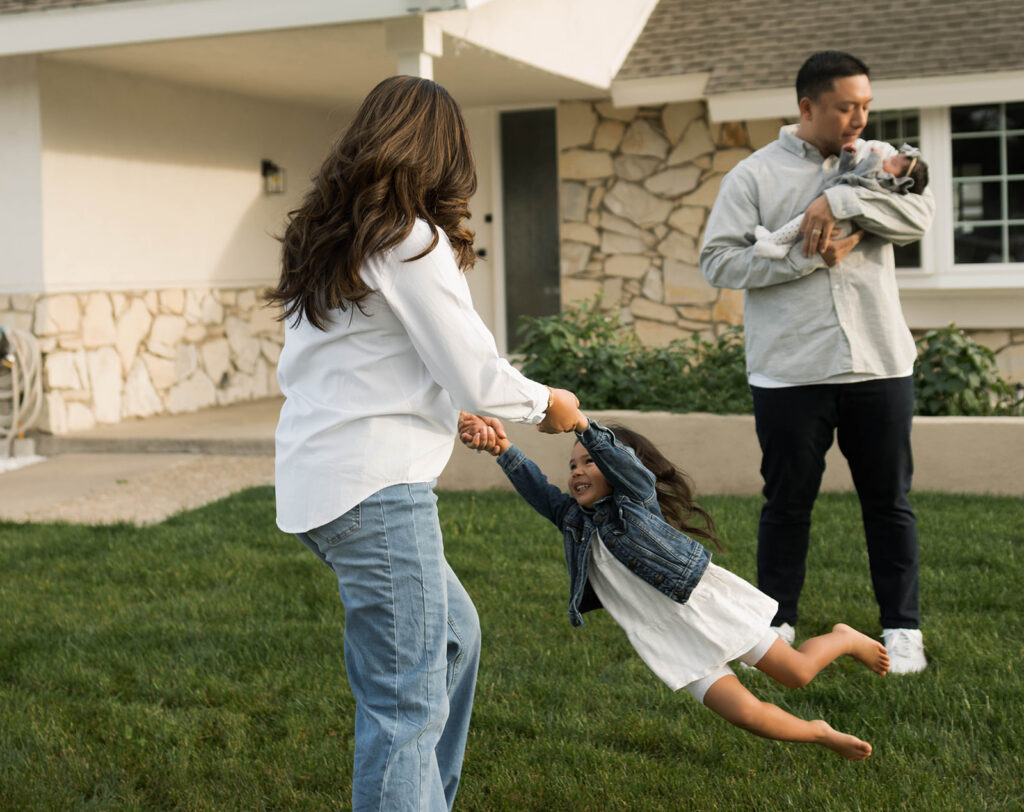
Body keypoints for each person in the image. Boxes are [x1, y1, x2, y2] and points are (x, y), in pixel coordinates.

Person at [267, 75, 580, 812]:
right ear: (443, 153)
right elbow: (476, 370)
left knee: (455, 641)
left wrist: (446, 410)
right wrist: (550, 404)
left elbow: (370, 363)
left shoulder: (332, 237)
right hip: (377, 494)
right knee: (405, 708)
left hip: (325, 485)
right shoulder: (409, 238)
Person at [458, 412, 890, 761]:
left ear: (614, 468)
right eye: (572, 465)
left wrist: (583, 426)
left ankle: (843, 638)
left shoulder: (636, 501)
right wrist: (503, 448)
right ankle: (818, 733)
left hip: (705, 608)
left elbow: (625, 468)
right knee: (745, 714)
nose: (577, 471)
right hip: (665, 637)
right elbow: (539, 490)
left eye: (589, 461)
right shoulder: (574, 522)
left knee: (795, 674)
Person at [699, 50, 935, 674]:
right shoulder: (752, 177)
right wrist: (805, 257)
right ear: (807, 107)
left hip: (880, 365)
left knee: (889, 502)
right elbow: (717, 262)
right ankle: (775, 625)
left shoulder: (880, 162)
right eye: (845, 106)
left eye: (865, 106)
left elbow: (920, 215)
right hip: (790, 372)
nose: (858, 117)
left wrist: (841, 202)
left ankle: (903, 630)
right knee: (786, 505)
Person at [754, 144, 929, 258]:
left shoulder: (882, 184)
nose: (886, 158)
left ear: (897, 179)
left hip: (840, 217)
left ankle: (773, 241)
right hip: (830, 197)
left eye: (892, 162)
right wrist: (848, 156)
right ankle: (783, 246)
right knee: (803, 222)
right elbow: (848, 172)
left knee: (803, 221)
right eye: (891, 157)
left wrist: (874, 158)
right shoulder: (877, 170)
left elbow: (863, 178)